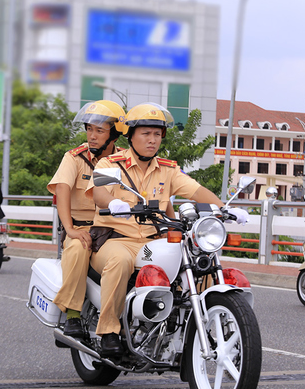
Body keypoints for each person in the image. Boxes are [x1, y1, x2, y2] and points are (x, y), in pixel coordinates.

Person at [85, 102, 248, 356]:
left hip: (154, 239)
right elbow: (99, 191)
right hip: (116, 239)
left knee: (197, 261)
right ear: (130, 135)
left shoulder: (168, 169)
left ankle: (192, 328)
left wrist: (225, 208)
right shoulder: (110, 164)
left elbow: (196, 190)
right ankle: (108, 331)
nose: (152, 140)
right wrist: (113, 203)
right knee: (119, 262)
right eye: (146, 133)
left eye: (157, 134)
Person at [47, 100, 127, 338]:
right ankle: (72, 314)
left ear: (114, 135)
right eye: (89, 129)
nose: (92, 136)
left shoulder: (124, 160)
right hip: (82, 228)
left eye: (99, 131)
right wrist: (69, 229)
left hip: (114, 230)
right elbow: (62, 189)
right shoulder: (74, 158)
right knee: (79, 247)